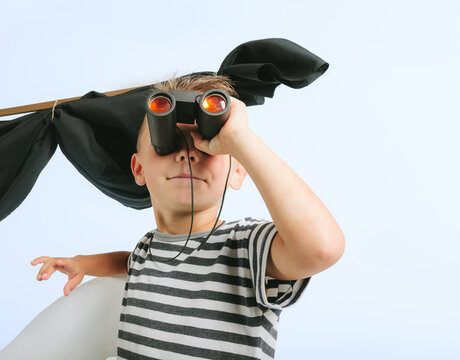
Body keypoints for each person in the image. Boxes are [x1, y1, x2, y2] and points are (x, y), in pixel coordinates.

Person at [29, 74, 345, 359]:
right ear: (138, 169)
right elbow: (131, 263)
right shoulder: (149, 247)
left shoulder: (247, 247)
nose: (188, 153)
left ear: (238, 171)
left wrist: (241, 140)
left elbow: (321, 247)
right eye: (165, 143)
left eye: (208, 147)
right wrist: (83, 262)